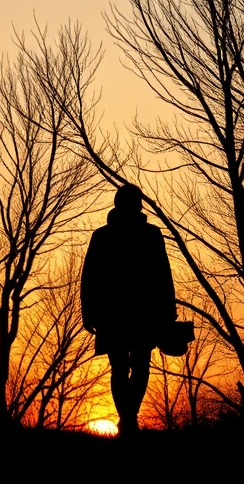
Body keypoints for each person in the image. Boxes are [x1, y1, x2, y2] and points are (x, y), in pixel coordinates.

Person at [80, 183, 177, 436]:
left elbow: (162, 275)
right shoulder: (106, 236)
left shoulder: (145, 234)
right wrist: (88, 311)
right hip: (123, 314)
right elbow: (90, 276)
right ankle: (129, 418)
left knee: (131, 366)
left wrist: (168, 309)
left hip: (131, 314)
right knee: (125, 366)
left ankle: (128, 417)